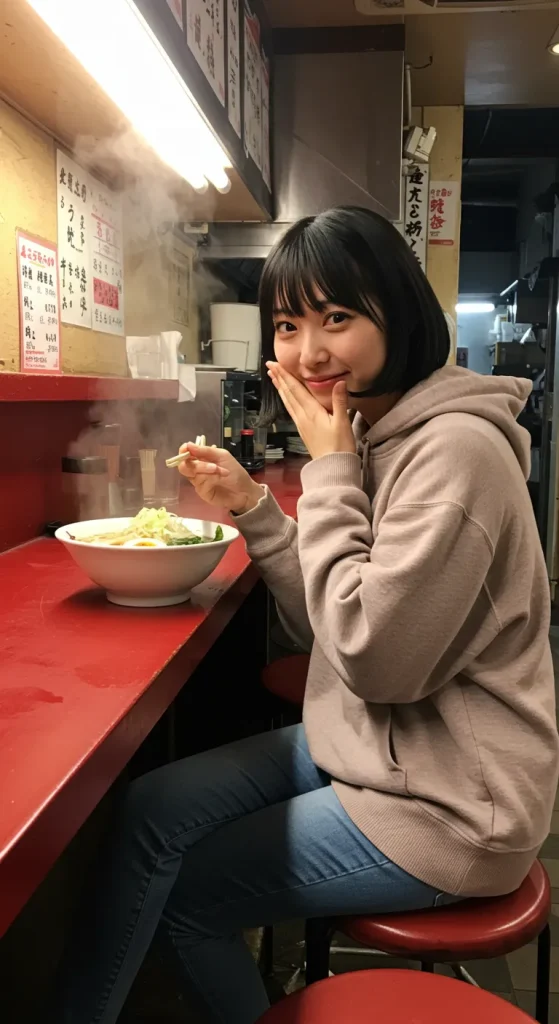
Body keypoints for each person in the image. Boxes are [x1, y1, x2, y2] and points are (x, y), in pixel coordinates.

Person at [51, 207, 559, 1024]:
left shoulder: (452, 452)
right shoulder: (377, 429)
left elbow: (372, 656)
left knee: (187, 900)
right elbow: (337, 614)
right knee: (153, 806)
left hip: (452, 803)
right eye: (287, 323)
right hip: (374, 743)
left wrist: (328, 470)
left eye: (338, 317)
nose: (308, 350)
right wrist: (255, 508)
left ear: (399, 313)